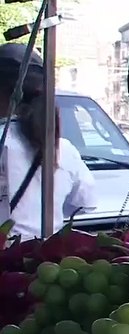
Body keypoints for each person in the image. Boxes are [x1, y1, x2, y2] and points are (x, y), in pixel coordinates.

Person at [0, 45, 95, 240]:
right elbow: (85, 201)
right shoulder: (64, 149)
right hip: (49, 262)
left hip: (8, 262)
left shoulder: (4, 142)